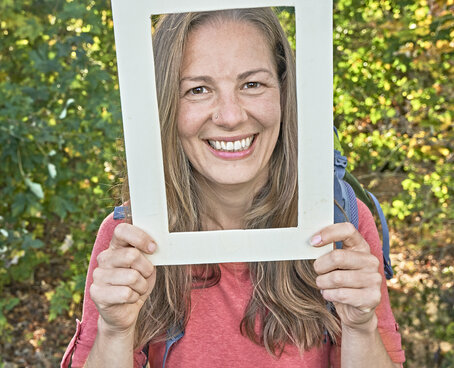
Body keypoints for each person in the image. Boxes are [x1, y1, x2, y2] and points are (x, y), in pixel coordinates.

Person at [61, 8, 405, 368]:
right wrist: (114, 333)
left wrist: (361, 328)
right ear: (163, 106)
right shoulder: (130, 237)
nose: (230, 116)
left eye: (252, 84)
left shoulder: (339, 223)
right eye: (197, 90)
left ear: (285, 93)